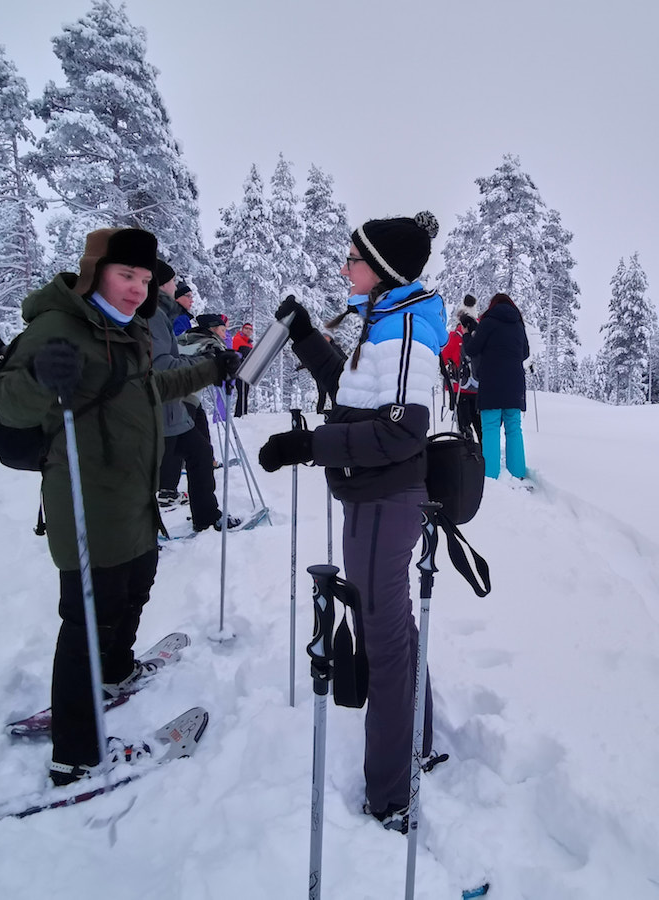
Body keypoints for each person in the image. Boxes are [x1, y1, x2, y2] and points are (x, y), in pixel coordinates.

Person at [0, 228, 239, 784]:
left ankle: (118, 671)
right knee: (86, 620)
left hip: (132, 494)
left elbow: (149, 387)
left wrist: (212, 369)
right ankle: (75, 755)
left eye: (146, 280)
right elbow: (7, 404)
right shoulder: (57, 327)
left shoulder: (125, 331)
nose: (136, 289)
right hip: (87, 500)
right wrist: (37, 378)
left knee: (138, 580)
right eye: (127, 275)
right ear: (96, 270)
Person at [256, 212, 447, 825]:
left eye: (354, 260)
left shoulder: (408, 325)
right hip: (373, 500)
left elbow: (400, 432)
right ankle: (417, 743)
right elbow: (355, 393)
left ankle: (390, 795)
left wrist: (306, 447)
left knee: (384, 644)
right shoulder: (388, 318)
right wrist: (310, 336)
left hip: (385, 500)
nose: (345, 268)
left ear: (383, 270)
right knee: (394, 632)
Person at [153, 273, 229, 529]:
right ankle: (150, 520)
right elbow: (165, 365)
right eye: (174, 283)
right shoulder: (155, 315)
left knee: (199, 452)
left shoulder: (168, 315)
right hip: (166, 401)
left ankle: (206, 516)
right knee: (159, 462)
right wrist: (209, 366)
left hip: (178, 402)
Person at [170, 313, 241, 530]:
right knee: (198, 454)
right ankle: (206, 515)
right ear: (212, 328)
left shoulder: (185, 338)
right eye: (222, 328)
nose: (225, 332)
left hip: (186, 400)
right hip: (181, 403)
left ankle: (204, 512)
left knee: (201, 452)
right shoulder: (208, 343)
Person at [463, 292, 530, 480]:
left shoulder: (489, 322)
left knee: (491, 428)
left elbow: (472, 349)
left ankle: (490, 476)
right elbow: (525, 353)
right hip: (515, 383)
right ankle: (517, 474)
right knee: (514, 428)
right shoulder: (518, 324)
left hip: (492, 381)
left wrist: (467, 335)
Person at [440, 294, 482, 441]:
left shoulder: (453, 337)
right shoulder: (482, 335)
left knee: (464, 429)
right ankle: (486, 458)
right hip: (480, 390)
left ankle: (467, 458)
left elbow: (443, 359)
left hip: (460, 389)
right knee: (482, 429)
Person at [231, 322, 254, 417]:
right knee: (241, 391)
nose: (248, 330)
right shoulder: (237, 339)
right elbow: (233, 353)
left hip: (246, 370)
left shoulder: (249, 343)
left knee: (245, 391)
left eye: (250, 329)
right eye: (246, 328)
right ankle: (239, 414)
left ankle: (244, 413)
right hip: (239, 369)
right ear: (242, 329)